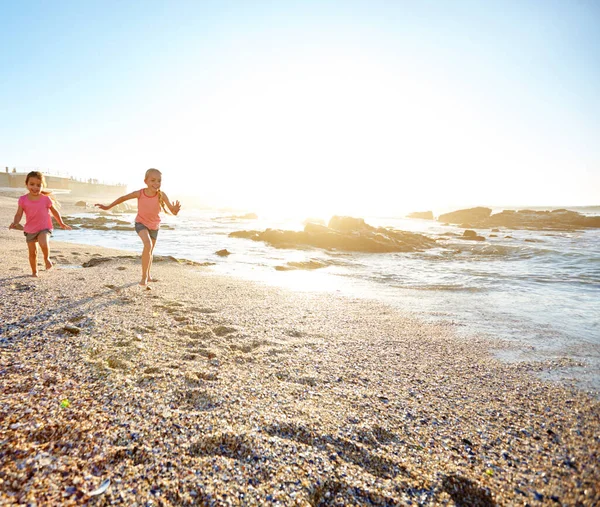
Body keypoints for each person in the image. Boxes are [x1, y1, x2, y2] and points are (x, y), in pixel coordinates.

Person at [95, 168, 181, 287]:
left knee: (150, 251)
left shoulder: (162, 195)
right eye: (153, 180)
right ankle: (144, 277)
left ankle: (149, 275)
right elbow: (123, 198)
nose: (156, 183)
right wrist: (107, 207)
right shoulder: (140, 193)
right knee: (148, 245)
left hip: (154, 226)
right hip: (141, 223)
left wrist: (175, 210)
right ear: (145, 181)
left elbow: (172, 211)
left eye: (159, 181)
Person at [9, 171, 72, 277]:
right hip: (30, 229)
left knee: (43, 242)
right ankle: (34, 272)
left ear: (42, 186)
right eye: (32, 184)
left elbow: (55, 211)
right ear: (27, 184)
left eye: (38, 185)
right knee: (32, 253)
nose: (35, 187)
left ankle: (46, 258)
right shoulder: (23, 200)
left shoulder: (45, 199)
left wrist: (61, 223)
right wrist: (15, 223)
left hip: (45, 227)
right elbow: (18, 214)